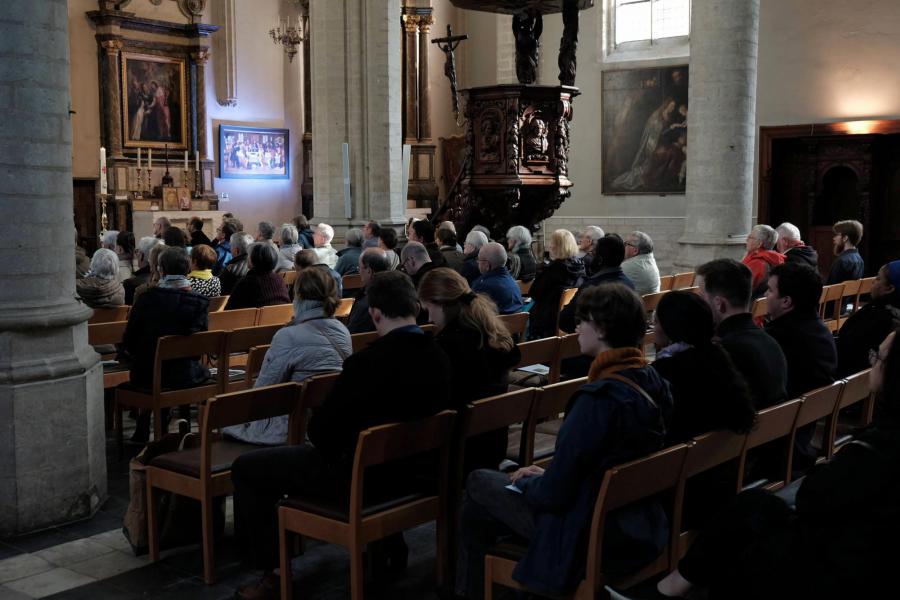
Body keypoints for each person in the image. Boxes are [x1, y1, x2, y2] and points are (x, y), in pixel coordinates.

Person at [230, 271, 453, 598]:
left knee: (247, 468)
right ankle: (389, 545)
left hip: (361, 480)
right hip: (415, 472)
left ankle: (272, 573)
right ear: (415, 306)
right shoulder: (439, 356)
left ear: (375, 313)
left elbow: (321, 434)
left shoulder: (368, 364)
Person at [455, 283, 673, 599]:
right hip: (637, 520)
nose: (576, 327)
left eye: (582, 320)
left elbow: (554, 497)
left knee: (478, 481)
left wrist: (529, 483)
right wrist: (547, 474)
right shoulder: (654, 381)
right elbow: (605, 461)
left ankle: (476, 589)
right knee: (478, 513)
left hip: (589, 527)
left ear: (600, 328)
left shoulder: (597, 400)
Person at [653, 328, 900, 600]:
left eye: (878, 357)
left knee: (746, 525)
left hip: (841, 559)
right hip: (855, 544)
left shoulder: (877, 447)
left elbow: (814, 497)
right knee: (750, 507)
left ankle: (671, 588)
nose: (872, 362)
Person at [224, 267, 351, 446]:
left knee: (221, 416)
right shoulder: (342, 331)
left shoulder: (288, 336)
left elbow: (263, 393)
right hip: (326, 424)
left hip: (288, 430)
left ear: (298, 296)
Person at [419, 268, 521, 472]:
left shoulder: (448, 347)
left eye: (429, 308)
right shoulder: (490, 334)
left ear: (441, 304)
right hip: (493, 443)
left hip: (459, 452)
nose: (429, 318)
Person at [121, 247, 210, 443]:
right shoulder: (200, 302)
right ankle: (180, 426)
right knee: (170, 366)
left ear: (161, 270)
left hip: (147, 375)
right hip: (186, 372)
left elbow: (130, 341)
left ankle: (145, 426)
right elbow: (199, 346)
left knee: (151, 364)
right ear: (187, 269)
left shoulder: (146, 299)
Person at [652, 291, 755, 443]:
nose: (654, 328)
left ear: (668, 330)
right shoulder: (719, 355)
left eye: (656, 322)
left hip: (681, 460)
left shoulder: (664, 370)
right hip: (721, 456)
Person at [765, 262, 837, 471]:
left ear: (786, 301)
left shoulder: (779, 338)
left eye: (770, 290)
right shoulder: (819, 329)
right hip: (803, 434)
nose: (765, 295)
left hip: (777, 445)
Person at [696, 259, 788, 410]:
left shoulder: (725, 351)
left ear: (719, 303)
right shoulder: (769, 340)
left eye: (701, 296)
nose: (698, 302)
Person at [836, 260, 900, 377]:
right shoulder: (882, 312)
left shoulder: (876, 318)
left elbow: (845, 349)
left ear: (889, 288)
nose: (873, 281)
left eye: (878, 278)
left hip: (846, 379)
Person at [558, 235, 634, 333]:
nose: (591, 256)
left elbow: (564, 322)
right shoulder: (629, 284)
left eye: (593, 253)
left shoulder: (591, 288)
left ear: (599, 260)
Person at [527, 229, 584, 340]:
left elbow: (534, 293)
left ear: (558, 246)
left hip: (547, 321)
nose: (550, 246)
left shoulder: (555, 269)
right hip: (567, 316)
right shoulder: (580, 266)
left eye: (552, 242)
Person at [225, 242, 290, 310]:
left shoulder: (245, 283)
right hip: (281, 319)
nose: (247, 258)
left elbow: (229, 310)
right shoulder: (280, 279)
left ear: (253, 259)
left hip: (253, 320)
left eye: (249, 255)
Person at [471, 242, 524, 315]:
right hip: (517, 325)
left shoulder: (482, 286)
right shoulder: (513, 282)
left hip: (493, 325)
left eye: (479, 259)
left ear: (487, 265)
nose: (477, 262)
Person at [346, 247, 390, 334]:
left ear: (369, 271)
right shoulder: (401, 292)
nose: (359, 271)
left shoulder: (366, 303)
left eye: (360, 267)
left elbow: (352, 334)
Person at [742, 224, 785, 297]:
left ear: (759, 243)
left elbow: (740, 290)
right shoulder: (772, 258)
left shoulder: (757, 263)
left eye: (750, 237)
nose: (746, 240)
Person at [621, 230, 661, 295]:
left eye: (626, 244)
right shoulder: (650, 260)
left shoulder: (629, 266)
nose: (623, 246)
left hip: (634, 304)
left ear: (635, 251)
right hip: (652, 304)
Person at [124, 236, 160, 305]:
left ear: (141, 255)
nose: (136, 255)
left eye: (137, 251)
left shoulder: (131, 284)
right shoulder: (166, 281)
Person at [827, 219, 865, 284]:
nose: (834, 238)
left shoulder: (841, 261)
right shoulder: (860, 260)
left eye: (837, 235)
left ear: (845, 238)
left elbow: (831, 286)